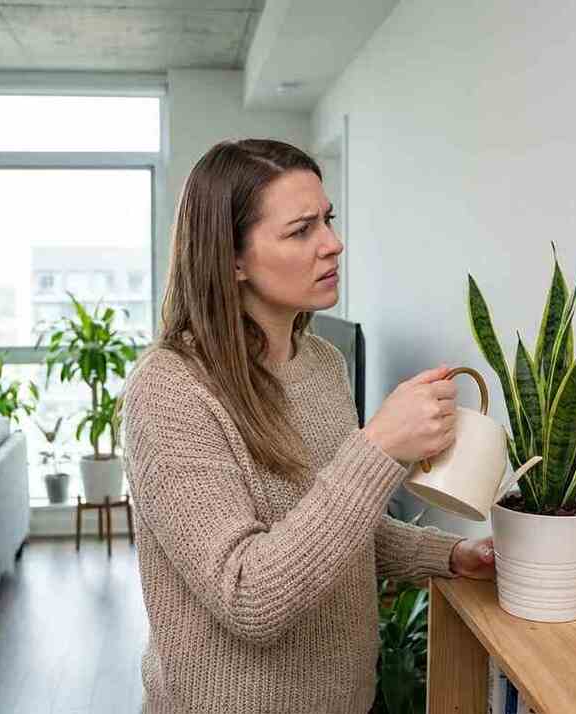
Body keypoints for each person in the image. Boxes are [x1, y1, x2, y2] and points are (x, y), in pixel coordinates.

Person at [122, 138, 495, 714]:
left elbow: (341, 532)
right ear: (232, 258)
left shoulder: (322, 363)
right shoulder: (169, 389)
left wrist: (447, 556)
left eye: (328, 220)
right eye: (301, 230)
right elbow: (248, 595)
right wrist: (377, 449)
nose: (333, 243)